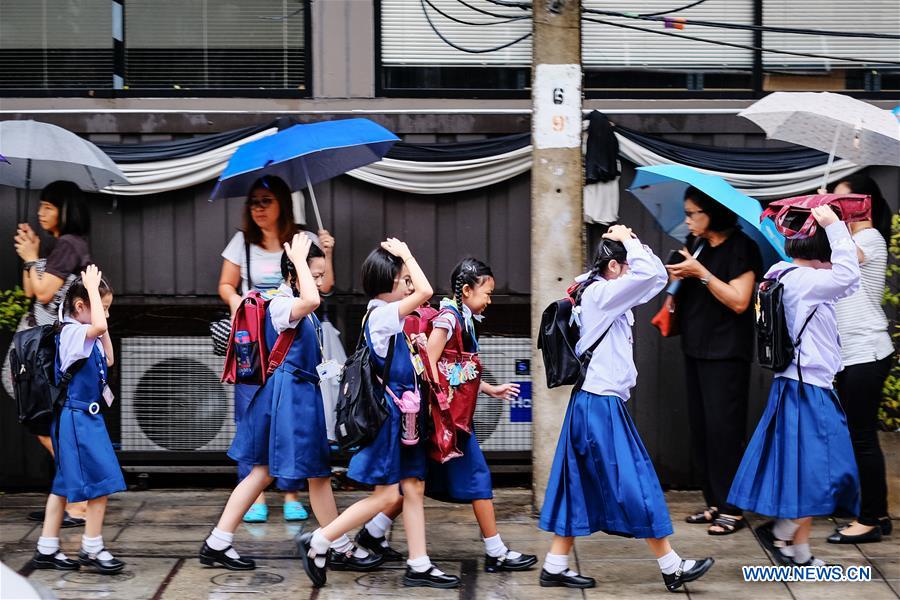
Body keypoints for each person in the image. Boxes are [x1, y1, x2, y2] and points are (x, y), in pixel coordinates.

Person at [538, 226, 714, 591]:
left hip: (592, 402)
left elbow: (654, 279)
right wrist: (630, 240)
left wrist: (630, 244)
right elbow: (650, 275)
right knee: (635, 480)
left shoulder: (599, 291)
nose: (631, 269)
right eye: (626, 264)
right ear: (615, 266)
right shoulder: (602, 293)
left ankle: (555, 565)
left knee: (579, 482)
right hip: (600, 404)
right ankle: (671, 565)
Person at [201, 234, 380, 572]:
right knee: (315, 473)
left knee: (265, 471)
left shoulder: (291, 301)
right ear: (293, 274)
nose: (319, 282)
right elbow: (312, 300)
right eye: (314, 275)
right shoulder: (282, 304)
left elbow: (313, 298)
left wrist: (309, 264)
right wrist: (298, 262)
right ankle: (339, 545)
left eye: (320, 275)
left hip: (288, 394)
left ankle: (218, 542)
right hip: (292, 398)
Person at [356, 258, 537, 573]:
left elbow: (452, 368)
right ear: (466, 291)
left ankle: (373, 532)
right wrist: (442, 404)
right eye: (487, 293)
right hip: (446, 419)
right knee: (477, 478)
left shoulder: (461, 317)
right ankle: (495, 551)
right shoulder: (449, 319)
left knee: (415, 483)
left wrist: (489, 389)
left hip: (444, 416)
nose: (490, 300)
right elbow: (429, 366)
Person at [298, 239, 460, 589]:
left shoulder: (389, 316)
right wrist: (407, 254)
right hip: (390, 422)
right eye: (404, 279)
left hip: (405, 420)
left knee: (413, 487)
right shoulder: (383, 315)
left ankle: (419, 563)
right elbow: (427, 291)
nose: (411, 286)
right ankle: (320, 540)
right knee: (387, 495)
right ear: (389, 282)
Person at [728, 206, 860, 567]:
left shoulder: (781, 274)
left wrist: (837, 237)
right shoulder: (807, 282)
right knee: (828, 471)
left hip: (795, 386)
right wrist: (835, 227)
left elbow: (848, 281)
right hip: (809, 390)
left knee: (804, 474)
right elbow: (849, 277)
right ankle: (780, 530)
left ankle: (799, 552)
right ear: (823, 251)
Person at [217, 174, 336, 523]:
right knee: (259, 439)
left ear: (282, 203)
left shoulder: (303, 243)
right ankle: (245, 511)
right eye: (253, 202)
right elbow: (226, 285)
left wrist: (325, 252)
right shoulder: (245, 245)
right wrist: (240, 304)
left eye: (265, 201)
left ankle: (293, 499)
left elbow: (322, 289)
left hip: (296, 357)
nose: (258, 208)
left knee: (294, 447)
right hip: (261, 352)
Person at [665, 186, 762, 536]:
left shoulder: (742, 248)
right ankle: (714, 503)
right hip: (695, 346)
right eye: (686, 213)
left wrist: (701, 273)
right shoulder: (697, 245)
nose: (687, 220)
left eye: (693, 214)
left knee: (725, 431)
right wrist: (676, 280)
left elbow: (739, 300)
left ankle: (732, 509)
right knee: (702, 430)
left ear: (714, 213)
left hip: (727, 352)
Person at [31, 266, 126, 574]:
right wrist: (92, 293)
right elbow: (98, 325)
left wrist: (100, 315)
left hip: (83, 418)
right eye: (102, 307)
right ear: (81, 306)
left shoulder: (87, 332)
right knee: (100, 482)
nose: (106, 315)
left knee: (62, 484)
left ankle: (47, 548)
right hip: (77, 419)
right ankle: (92, 547)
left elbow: (109, 358)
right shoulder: (72, 333)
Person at [13, 180, 92, 526]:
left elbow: (44, 293)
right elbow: (31, 289)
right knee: (45, 420)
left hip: (56, 349)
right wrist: (29, 255)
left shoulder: (70, 244)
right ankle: (75, 498)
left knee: (45, 420)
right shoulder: (60, 246)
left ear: (66, 210)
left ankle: (80, 500)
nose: (41, 212)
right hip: (49, 347)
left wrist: (33, 258)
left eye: (49, 206)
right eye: (40, 206)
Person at [826, 175, 895, 544]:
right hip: (851, 353)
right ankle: (877, 513)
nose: (838, 207)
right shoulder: (846, 239)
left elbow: (849, 259)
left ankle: (868, 520)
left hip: (866, 350)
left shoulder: (869, 238)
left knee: (863, 437)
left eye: (843, 200)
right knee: (859, 436)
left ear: (865, 202)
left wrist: (828, 222)